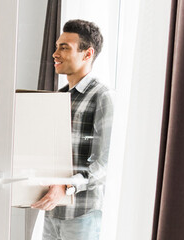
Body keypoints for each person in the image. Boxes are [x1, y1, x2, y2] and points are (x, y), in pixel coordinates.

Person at [30, 19, 114, 240]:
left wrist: (66, 187)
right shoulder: (58, 97)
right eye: (57, 46)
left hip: (82, 214)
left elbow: (104, 163)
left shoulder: (102, 96)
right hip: (53, 209)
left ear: (87, 54)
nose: (55, 54)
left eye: (64, 47)